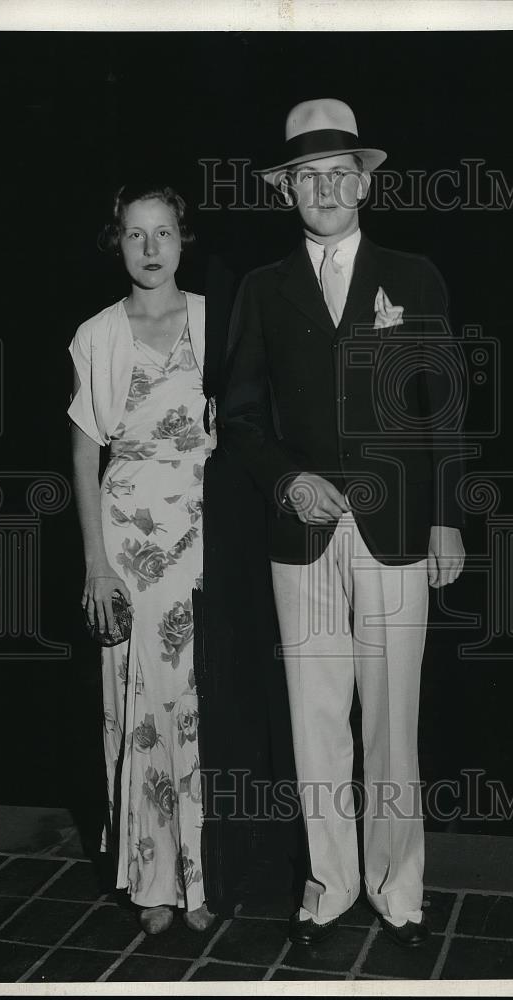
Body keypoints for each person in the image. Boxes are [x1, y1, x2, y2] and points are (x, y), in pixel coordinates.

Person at [220, 99, 466, 948]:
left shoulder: (413, 276)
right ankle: (326, 889)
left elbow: (444, 410)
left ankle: (399, 892)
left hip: (398, 529)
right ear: (286, 191)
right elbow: (239, 417)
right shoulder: (262, 289)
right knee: (314, 719)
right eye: (306, 177)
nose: (323, 190)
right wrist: (287, 481)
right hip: (303, 536)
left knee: (392, 720)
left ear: (363, 184)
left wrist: (446, 520)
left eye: (338, 174)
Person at [68, 181, 217, 935]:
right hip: (128, 542)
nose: (151, 248)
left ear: (183, 238)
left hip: (206, 538)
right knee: (138, 709)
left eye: (163, 233)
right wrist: (96, 565)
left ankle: (205, 875)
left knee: (202, 705)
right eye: (135, 234)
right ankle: (152, 881)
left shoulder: (216, 319)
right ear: (117, 242)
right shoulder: (96, 335)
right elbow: (84, 455)